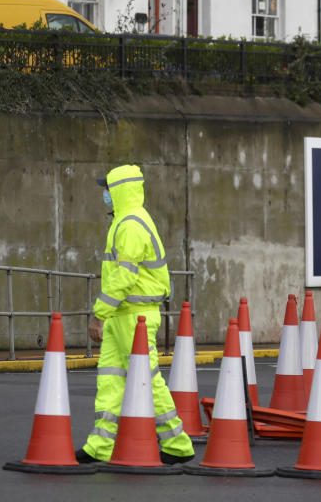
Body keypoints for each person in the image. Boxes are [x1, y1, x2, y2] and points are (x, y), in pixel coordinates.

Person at [76, 164, 195, 465]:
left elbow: (124, 277)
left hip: (134, 316)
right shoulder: (126, 221)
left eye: (107, 188)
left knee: (147, 378)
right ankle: (100, 445)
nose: (104, 193)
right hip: (125, 314)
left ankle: (177, 443)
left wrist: (99, 314)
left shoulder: (129, 224)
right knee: (110, 379)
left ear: (119, 191)